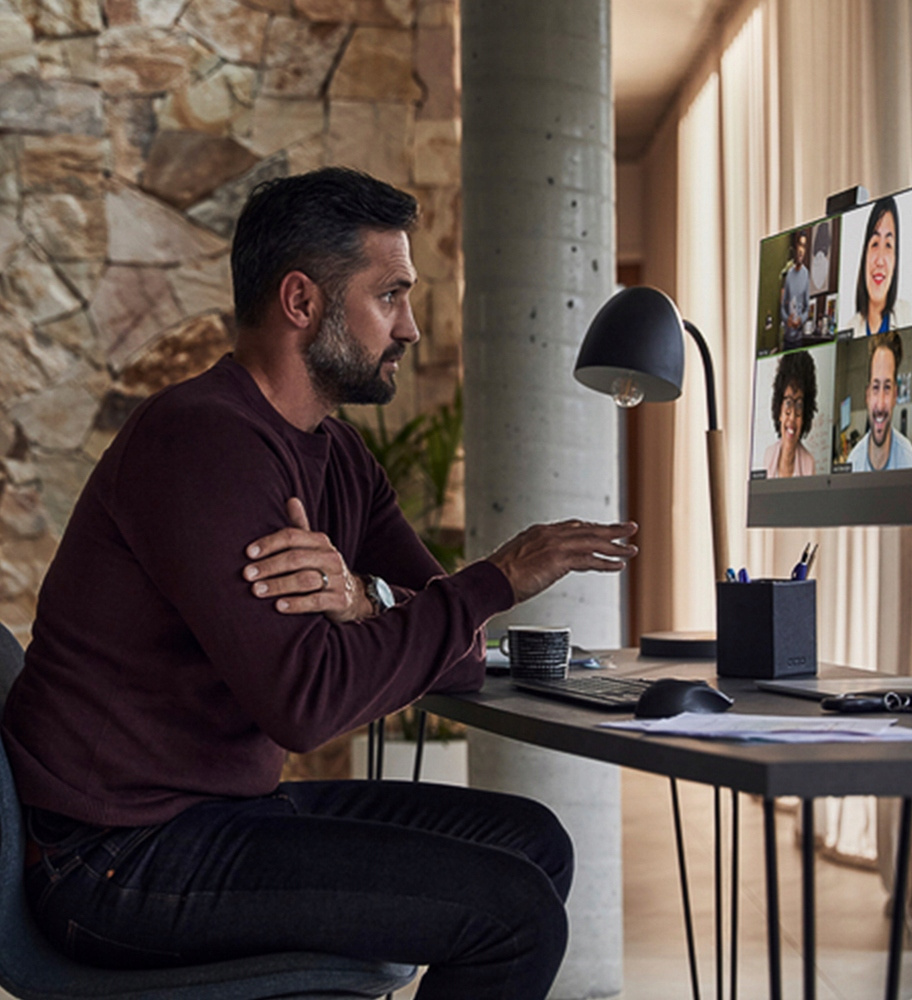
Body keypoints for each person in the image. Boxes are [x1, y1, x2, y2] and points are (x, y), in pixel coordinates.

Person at [0, 167, 639, 999]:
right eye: (390, 296)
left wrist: (365, 598)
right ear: (302, 301)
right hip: (114, 856)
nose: (410, 327)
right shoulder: (200, 444)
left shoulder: (339, 457)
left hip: (218, 815)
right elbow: (306, 705)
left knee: (534, 843)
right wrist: (499, 578)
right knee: (514, 912)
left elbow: (459, 656)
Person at [847, 331, 912, 472]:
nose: (880, 405)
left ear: (895, 396)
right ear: (867, 395)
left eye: (887, 387)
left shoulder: (908, 461)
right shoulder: (853, 462)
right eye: (875, 387)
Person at [846, 195, 911, 337]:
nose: (880, 261)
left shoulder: (908, 316)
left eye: (888, 245)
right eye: (875, 244)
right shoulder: (850, 328)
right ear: (865, 255)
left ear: (895, 260)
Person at [763, 350, 818, 478]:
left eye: (799, 406)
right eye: (788, 403)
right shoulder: (768, 455)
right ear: (779, 411)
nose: (792, 417)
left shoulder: (809, 465)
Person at [781, 230, 811, 349]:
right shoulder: (788, 274)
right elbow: (782, 306)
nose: (801, 250)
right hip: (786, 338)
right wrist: (786, 319)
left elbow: (807, 308)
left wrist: (800, 320)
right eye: (799, 244)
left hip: (798, 339)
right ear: (795, 247)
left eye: (804, 246)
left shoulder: (806, 274)